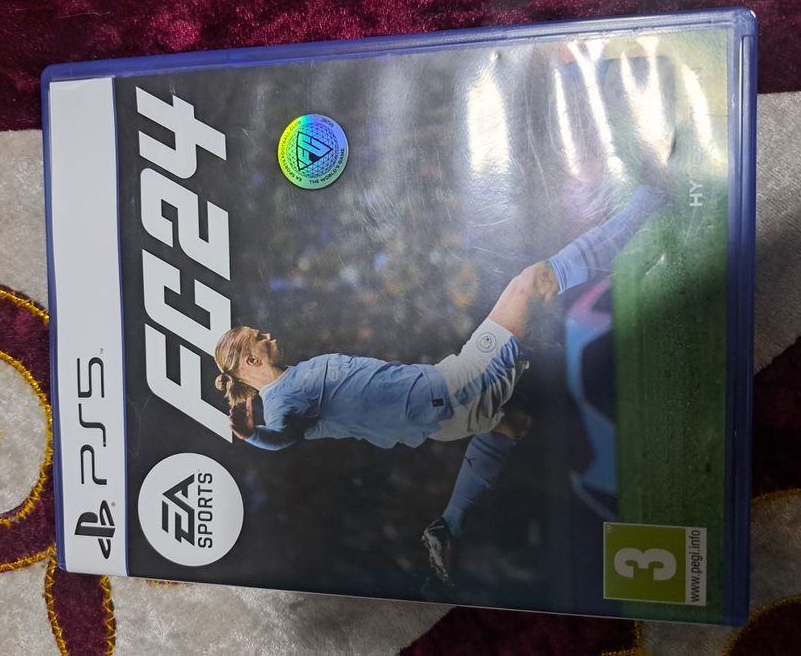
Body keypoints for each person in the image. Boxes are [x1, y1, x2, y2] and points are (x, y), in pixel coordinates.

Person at [213, 181, 669, 580]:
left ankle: (450, 524)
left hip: (440, 414)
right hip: (451, 390)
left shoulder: (292, 382)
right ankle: (648, 203)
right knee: (529, 284)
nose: (268, 335)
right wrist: (253, 435)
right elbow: (283, 436)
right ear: (250, 359)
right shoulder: (282, 401)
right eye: (259, 337)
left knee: (510, 423)